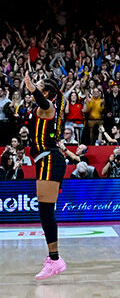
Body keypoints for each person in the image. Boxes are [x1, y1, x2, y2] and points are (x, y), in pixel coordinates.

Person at [24, 73, 69, 280]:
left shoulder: (48, 106)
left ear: (47, 92)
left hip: (51, 160)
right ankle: (54, 259)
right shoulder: (43, 110)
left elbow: (41, 101)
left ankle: (55, 259)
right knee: (45, 211)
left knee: (45, 211)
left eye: (39, 86)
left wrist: (31, 87)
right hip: (46, 160)